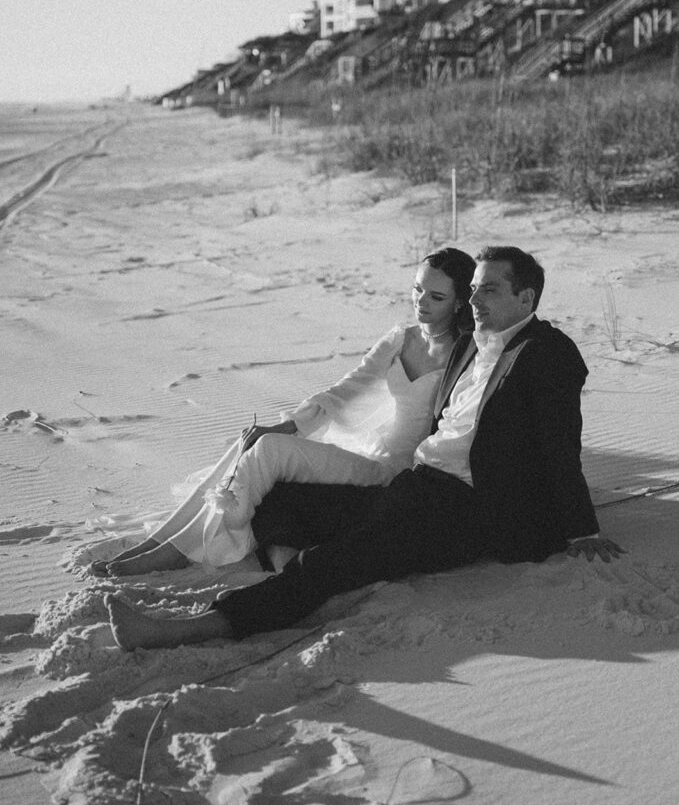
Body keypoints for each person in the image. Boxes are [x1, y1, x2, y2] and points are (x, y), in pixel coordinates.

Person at [107, 245, 624, 651]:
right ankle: (257, 563)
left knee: (336, 562)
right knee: (282, 498)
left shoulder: (546, 353)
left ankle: (191, 628)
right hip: (413, 485)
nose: (474, 300)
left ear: (526, 299)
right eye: (471, 291)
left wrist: (581, 528)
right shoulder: (474, 344)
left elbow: (560, 445)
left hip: (463, 509)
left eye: (488, 290)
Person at [93, 247, 476, 577]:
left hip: (394, 473)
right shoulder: (400, 339)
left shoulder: (465, 357)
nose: (421, 303)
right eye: (416, 289)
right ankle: (164, 541)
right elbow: (345, 390)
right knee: (254, 441)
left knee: (271, 450)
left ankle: (176, 552)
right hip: (364, 453)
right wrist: (287, 424)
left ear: (460, 302)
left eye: (436, 297)